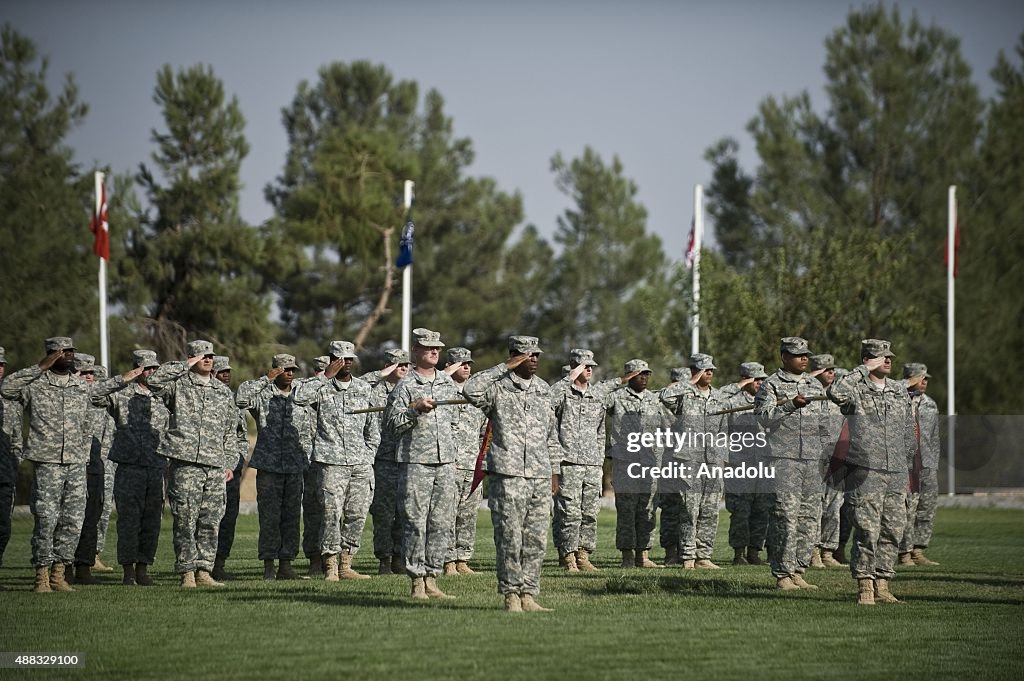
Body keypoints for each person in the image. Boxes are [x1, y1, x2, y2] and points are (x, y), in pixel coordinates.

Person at [463, 335, 562, 612]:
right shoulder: (497, 389)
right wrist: (503, 367)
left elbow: (551, 436)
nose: (533, 360)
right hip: (508, 473)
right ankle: (510, 594)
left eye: (536, 356)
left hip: (539, 475)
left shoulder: (544, 390)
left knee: (536, 538)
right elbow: (470, 390)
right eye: (526, 355)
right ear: (513, 356)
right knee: (509, 536)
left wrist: (554, 472)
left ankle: (529, 593)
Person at [827, 338, 916, 605]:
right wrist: (862, 370)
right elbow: (835, 393)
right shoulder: (856, 388)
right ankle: (865, 585)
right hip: (866, 471)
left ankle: (883, 583)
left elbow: (908, 430)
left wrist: (906, 462)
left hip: (896, 470)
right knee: (867, 529)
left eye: (889, 356)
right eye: (881, 356)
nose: (887, 360)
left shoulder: (899, 390)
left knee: (892, 529)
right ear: (868, 359)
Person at [2, 337, 93, 592]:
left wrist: (83, 454)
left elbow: (87, 423)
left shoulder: (79, 385)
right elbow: (7, 388)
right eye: (63, 352)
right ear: (51, 355)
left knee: (73, 520)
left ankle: (59, 574)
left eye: (71, 351)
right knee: (46, 519)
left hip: (75, 462)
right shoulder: (35, 384)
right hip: (47, 461)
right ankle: (41, 575)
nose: (69, 355)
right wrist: (39, 367)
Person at [148, 340, 238, 588]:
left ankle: (204, 570)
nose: (207, 359)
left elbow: (231, 430)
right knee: (185, 519)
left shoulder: (222, 392)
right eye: (201, 355)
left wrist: (229, 462)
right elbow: (153, 381)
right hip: (185, 462)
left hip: (215, 464)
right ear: (191, 358)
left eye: (210, 355)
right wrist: (184, 365)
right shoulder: (177, 385)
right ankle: (187, 571)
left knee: (211, 520)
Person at [293, 341, 379, 582]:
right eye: (341, 359)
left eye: (350, 359)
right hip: (330, 462)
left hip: (360, 463)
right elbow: (298, 398)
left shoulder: (363, 388)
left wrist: (368, 455)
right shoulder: (320, 388)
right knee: (331, 514)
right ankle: (329, 565)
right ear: (332, 360)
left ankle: (346, 564)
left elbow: (373, 427)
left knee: (357, 514)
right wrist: (324, 377)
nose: (346, 363)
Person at [384, 328, 460, 600]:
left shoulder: (447, 384)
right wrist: (413, 409)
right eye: (428, 347)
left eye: (438, 347)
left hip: (445, 461)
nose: (434, 351)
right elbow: (391, 426)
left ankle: (432, 577)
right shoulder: (405, 386)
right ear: (415, 351)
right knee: (415, 521)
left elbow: (455, 421)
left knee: (441, 522)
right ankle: (417, 580)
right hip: (415, 460)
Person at [754, 337, 827, 591]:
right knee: (785, 516)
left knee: (809, 517)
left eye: (806, 354)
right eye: (798, 355)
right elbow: (763, 418)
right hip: (783, 458)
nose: (804, 358)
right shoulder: (771, 385)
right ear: (784, 357)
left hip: (812, 458)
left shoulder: (814, 384)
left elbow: (825, 422)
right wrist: (789, 407)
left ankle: (798, 569)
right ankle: (783, 573)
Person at [90, 350, 167, 585]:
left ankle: (143, 568)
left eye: (155, 368)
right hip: (129, 466)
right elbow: (94, 395)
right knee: (129, 521)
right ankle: (128, 571)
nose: (152, 372)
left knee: (152, 520)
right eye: (146, 368)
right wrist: (122, 379)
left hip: (155, 465)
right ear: (137, 369)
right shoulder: (122, 395)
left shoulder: (163, 396)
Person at [549, 349, 622, 572]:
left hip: (592, 463)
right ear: (574, 367)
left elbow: (601, 431)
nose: (589, 369)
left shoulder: (596, 396)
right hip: (568, 461)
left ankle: (583, 555)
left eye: (591, 366)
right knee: (569, 512)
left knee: (590, 512)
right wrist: (568, 379)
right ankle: (568, 556)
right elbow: (547, 402)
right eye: (584, 365)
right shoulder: (562, 392)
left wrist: (599, 460)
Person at [237, 353, 307, 581]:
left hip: (295, 464)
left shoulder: (300, 393)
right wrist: (265, 379)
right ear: (275, 370)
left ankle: (286, 565)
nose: (289, 373)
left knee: (291, 517)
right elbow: (240, 398)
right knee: (269, 517)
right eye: (284, 369)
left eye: (292, 370)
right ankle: (269, 565)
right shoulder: (262, 394)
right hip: (269, 466)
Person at [661, 353, 729, 569]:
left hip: (713, 460)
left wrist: (723, 459)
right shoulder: (684, 396)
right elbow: (664, 396)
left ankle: (703, 555)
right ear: (694, 371)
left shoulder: (719, 397)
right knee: (689, 509)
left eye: (711, 370)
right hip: (689, 459)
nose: (708, 373)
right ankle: (687, 556)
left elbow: (724, 430)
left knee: (709, 510)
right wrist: (689, 382)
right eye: (703, 369)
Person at [607, 359, 665, 569]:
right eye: (639, 374)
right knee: (626, 510)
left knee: (647, 509)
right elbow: (597, 396)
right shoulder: (617, 397)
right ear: (629, 375)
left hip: (649, 462)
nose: (644, 377)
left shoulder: (653, 399)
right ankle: (627, 557)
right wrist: (619, 381)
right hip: (626, 461)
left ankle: (644, 555)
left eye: (646, 374)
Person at [70, 353, 116, 584]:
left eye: (92, 373)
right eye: (84, 372)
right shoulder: (68, 397)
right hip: (73, 464)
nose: (89, 377)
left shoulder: (101, 402)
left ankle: (87, 562)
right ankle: (63, 566)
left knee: (96, 513)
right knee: (68, 517)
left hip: (100, 465)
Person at [367, 349, 412, 575]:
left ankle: (399, 557)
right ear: (388, 366)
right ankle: (384, 559)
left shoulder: (411, 390)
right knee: (384, 513)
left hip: (405, 457)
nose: (404, 369)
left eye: (406, 365)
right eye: (399, 365)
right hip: (383, 458)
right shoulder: (375, 393)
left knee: (404, 512)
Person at [442, 347, 487, 576]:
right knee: (447, 514)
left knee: (468, 514)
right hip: (449, 463)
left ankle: (462, 559)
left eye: (469, 363)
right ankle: (448, 561)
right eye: (462, 363)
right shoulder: (441, 390)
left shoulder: (475, 396)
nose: (467, 367)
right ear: (451, 365)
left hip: (472, 464)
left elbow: (483, 432)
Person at [723, 362, 771, 566]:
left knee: (761, 510)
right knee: (741, 510)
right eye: (755, 379)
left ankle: (754, 551)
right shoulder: (732, 401)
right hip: (740, 464)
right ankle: (739, 553)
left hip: (763, 463)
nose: (759, 383)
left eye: (762, 379)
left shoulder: (768, 400)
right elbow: (718, 399)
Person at [897, 363, 941, 567]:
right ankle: (904, 553)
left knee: (926, 507)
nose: (924, 381)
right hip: (905, 464)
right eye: (920, 377)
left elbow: (934, 437)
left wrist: (933, 463)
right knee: (907, 509)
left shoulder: (930, 404)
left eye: (926, 378)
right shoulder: (896, 400)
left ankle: (918, 549)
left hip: (927, 464)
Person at [211, 356, 249, 581]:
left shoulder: (233, 401)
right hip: (207, 466)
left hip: (231, 470)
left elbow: (241, 435)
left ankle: (219, 564)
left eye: (228, 371)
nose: (226, 374)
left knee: (229, 517)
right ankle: (199, 565)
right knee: (206, 518)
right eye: (221, 371)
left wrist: (239, 460)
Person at [808, 353, 845, 568]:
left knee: (834, 507)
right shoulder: (806, 392)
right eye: (827, 370)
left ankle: (828, 551)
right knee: (814, 506)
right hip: (813, 458)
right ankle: (812, 550)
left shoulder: (837, 395)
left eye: (833, 370)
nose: (832, 373)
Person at [298, 355, 330, 576]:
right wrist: (322, 379)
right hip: (307, 460)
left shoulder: (336, 392)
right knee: (312, 512)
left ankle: (333, 559)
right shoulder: (305, 387)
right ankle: (314, 560)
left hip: (330, 458)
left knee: (331, 512)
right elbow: (300, 397)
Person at [656, 367, 688, 566]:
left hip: (687, 460)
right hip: (667, 460)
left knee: (687, 508)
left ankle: (686, 552)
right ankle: (670, 553)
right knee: (669, 507)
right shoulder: (660, 400)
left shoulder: (692, 402)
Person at [0, 346, 24, 570]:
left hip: (5, 472)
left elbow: (17, 439)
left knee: (3, 527)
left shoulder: (11, 400)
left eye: (1, 365)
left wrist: (15, 464)